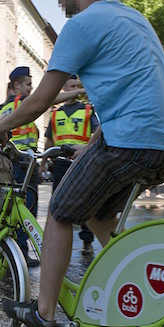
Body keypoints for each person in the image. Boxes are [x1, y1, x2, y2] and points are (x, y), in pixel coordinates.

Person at [0, 0, 164, 327]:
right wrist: (91, 145)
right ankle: (142, 290)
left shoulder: (80, 27)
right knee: (94, 212)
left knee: (60, 211)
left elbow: (40, 100)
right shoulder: (131, 17)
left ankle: (43, 314)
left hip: (133, 142)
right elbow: (131, 93)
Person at [0, 66, 41, 266]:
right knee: (26, 209)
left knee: (2, 211)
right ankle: (20, 252)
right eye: (28, 84)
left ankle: (0, 251)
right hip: (24, 165)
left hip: (1, 167)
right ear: (17, 85)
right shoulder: (27, 104)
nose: (31, 88)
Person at [44, 75, 100, 254]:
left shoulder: (88, 110)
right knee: (57, 203)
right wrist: (43, 163)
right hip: (60, 164)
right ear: (64, 89)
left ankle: (87, 241)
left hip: (81, 161)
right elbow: (49, 140)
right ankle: (56, 243)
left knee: (85, 201)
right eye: (72, 86)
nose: (75, 89)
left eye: (78, 85)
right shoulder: (55, 114)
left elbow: (97, 133)